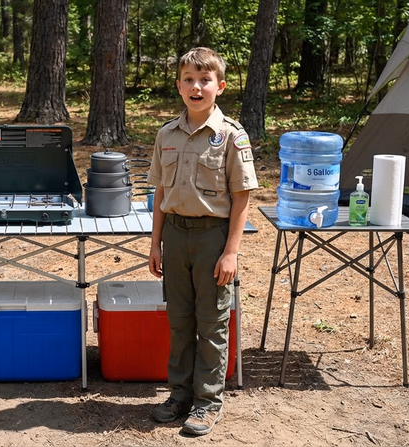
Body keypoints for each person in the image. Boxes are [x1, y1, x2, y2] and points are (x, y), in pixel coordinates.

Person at [146, 47, 258, 436]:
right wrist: (155, 242)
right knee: (179, 321)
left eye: (205, 80)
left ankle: (208, 401)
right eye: (189, 80)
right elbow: (160, 192)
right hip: (175, 236)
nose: (197, 87)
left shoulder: (230, 135)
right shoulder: (166, 134)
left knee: (211, 323)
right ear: (179, 85)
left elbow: (242, 195)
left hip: (213, 238)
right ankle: (180, 394)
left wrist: (231, 252)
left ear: (219, 86)